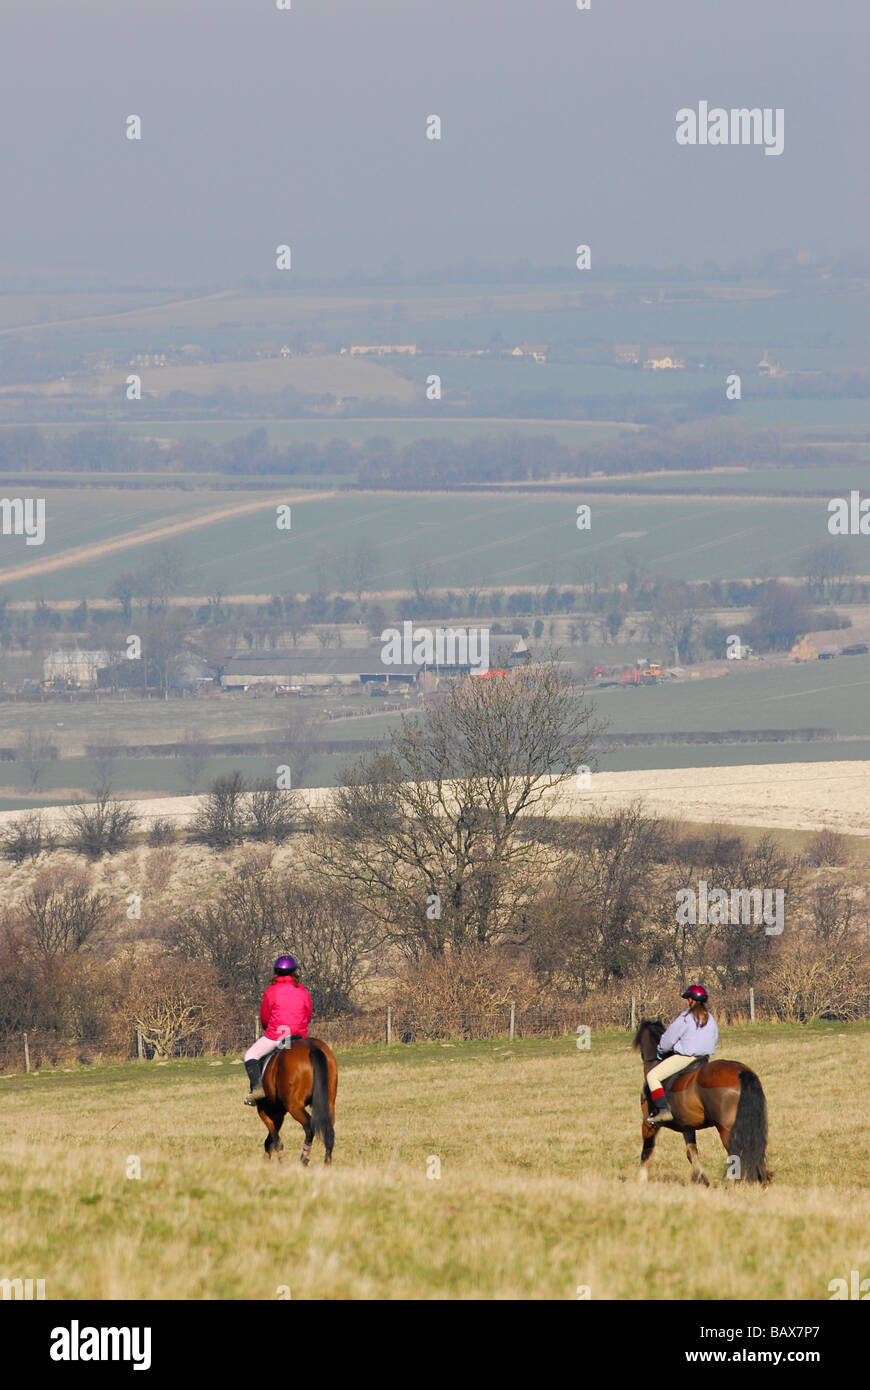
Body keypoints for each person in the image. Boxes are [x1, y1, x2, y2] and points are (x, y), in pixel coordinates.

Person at [243, 955, 312, 1104]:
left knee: (250, 1055)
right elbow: (308, 1014)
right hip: (299, 1036)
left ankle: (257, 1090)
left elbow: (265, 1017)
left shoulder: (271, 991)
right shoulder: (303, 991)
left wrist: (268, 1029)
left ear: (276, 971)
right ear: (294, 971)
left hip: (277, 1035)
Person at [646, 984, 718, 1125]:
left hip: (685, 1058)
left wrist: (661, 1051)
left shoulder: (685, 1017)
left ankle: (663, 1110)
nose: (686, 1002)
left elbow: (669, 1039)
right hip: (704, 1059)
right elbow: (715, 1039)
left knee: (652, 1076)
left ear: (691, 1000)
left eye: (687, 999)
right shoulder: (711, 1018)